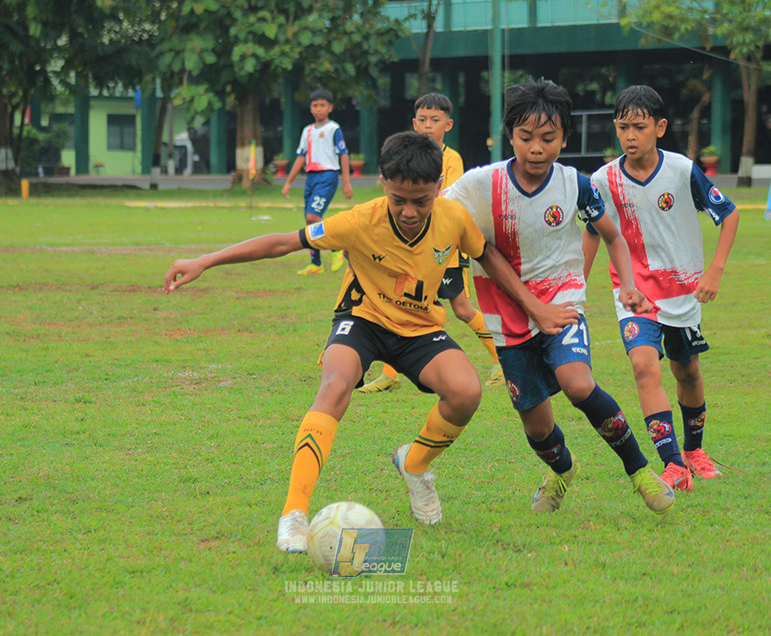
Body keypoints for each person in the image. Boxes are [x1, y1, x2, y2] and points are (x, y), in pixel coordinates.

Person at [164, 131, 548, 552]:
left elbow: (487, 254)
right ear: (383, 182)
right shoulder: (358, 221)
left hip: (419, 328)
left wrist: (532, 304)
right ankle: (294, 514)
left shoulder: (453, 218)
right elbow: (282, 242)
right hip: (362, 321)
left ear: (438, 187)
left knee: (466, 391)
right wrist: (205, 260)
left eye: (421, 201)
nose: (409, 211)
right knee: (335, 386)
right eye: (398, 198)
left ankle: (414, 465)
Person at [444, 78, 675, 515]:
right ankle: (563, 471)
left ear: (565, 138)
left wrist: (628, 285)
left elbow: (613, 236)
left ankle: (641, 471)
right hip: (505, 316)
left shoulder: (576, 185)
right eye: (525, 137)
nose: (536, 148)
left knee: (577, 383)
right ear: (508, 135)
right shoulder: (479, 185)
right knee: (537, 424)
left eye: (548, 138)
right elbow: (438, 216)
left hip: (563, 301)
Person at [583, 85, 740, 491]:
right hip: (635, 294)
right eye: (622, 127)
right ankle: (672, 464)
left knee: (686, 371)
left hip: (683, 295)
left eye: (639, 126)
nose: (630, 136)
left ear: (660, 127)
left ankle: (694, 450)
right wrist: (576, 289)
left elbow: (729, 214)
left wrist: (715, 271)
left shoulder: (682, 170)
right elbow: (592, 235)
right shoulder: (602, 180)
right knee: (643, 366)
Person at [359, 92, 504, 393]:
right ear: (414, 123)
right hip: (412, 250)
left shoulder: (450, 160)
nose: (428, 125)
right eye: (422, 120)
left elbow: (446, 198)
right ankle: (390, 375)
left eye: (435, 120)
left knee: (462, 309)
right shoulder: (408, 158)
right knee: (397, 305)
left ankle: (500, 359)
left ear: (447, 124)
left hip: (445, 250)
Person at [281, 89, 353, 275]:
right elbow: (300, 157)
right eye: (315, 105)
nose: (318, 109)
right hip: (311, 177)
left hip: (328, 176)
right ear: (311, 108)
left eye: (322, 105)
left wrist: (346, 182)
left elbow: (343, 154)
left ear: (330, 107)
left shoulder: (333, 129)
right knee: (309, 221)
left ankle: (337, 248)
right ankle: (316, 263)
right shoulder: (307, 131)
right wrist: (288, 182)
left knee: (313, 217)